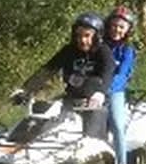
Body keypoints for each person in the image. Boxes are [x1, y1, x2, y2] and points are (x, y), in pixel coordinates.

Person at [11, 12, 115, 140]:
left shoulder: (103, 52)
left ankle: (119, 159)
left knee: (93, 140)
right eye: (78, 35)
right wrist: (26, 89)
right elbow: (49, 69)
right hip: (71, 100)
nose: (82, 40)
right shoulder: (69, 50)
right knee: (47, 127)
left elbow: (108, 71)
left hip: (96, 104)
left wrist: (100, 93)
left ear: (97, 36)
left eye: (87, 36)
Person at [104, 5, 138, 164]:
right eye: (114, 25)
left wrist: (104, 91)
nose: (116, 29)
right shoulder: (98, 45)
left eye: (121, 27)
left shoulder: (127, 51)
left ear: (127, 30)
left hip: (114, 92)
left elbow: (122, 75)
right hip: (91, 91)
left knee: (117, 125)